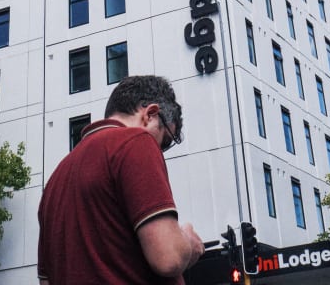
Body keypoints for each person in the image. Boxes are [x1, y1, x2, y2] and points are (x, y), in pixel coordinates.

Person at [37, 75, 205, 284]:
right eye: (165, 141)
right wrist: (188, 243)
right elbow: (168, 258)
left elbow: (45, 281)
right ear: (151, 115)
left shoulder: (55, 181)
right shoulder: (136, 142)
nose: (160, 151)